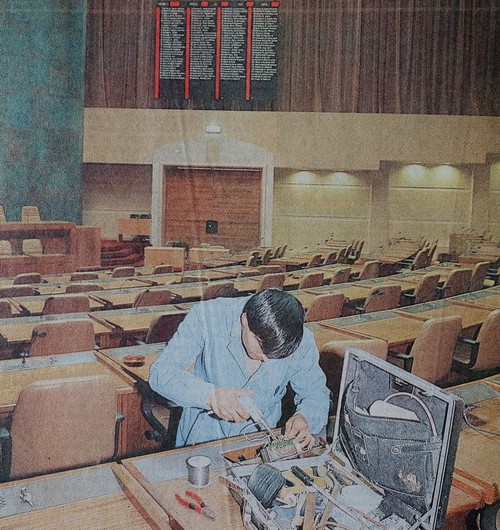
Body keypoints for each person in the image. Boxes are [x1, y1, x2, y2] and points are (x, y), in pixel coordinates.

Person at [149, 288, 330, 448]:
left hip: (260, 441)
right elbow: (161, 372)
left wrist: (305, 417)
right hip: (201, 439)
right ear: (245, 321)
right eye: (261, 347)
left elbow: (316, 394)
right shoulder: (208, 316)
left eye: (276, 355)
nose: (266, 359)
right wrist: (210, 395)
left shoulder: (300, 339)